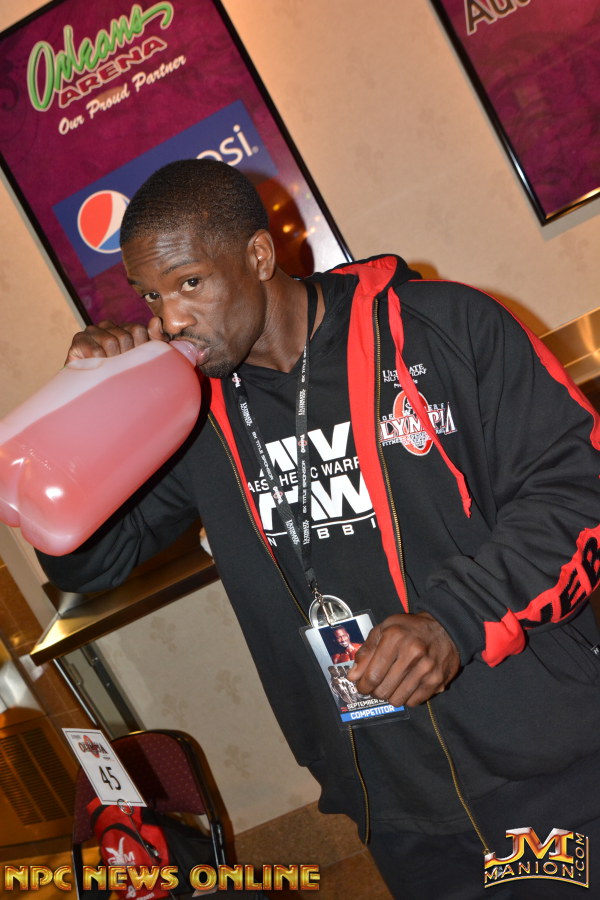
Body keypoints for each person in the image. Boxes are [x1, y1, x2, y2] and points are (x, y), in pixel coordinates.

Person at [37, 159, 600, 898]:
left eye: (189, 283)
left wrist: (453, 622)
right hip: (396, 807)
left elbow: (577, 491)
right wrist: (89, 415)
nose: (170, 319)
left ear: (257, 256)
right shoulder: (187, 412)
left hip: (551, 773)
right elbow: (85, 564)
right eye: (150, 294)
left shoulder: (443, 328)